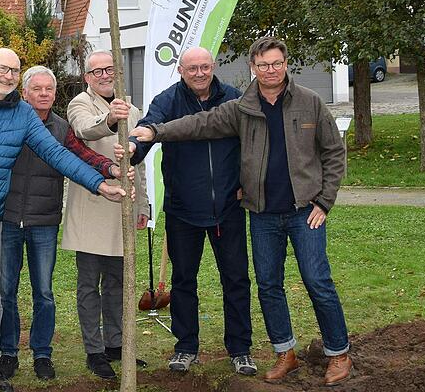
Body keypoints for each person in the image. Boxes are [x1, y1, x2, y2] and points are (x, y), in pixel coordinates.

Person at [129, 37, 352, 386]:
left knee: (316, 280)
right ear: (253, 67)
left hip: (300, 210)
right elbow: (198, 124)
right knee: (268, 285)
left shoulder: (309, 102)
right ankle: (284, 353)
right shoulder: (241, 105)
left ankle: (338, 353)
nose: (270, 70)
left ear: (286, 64)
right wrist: (152, 132)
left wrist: (324, 201)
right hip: (255, 213)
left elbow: (335, 153)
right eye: (263, 65)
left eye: (276, 63)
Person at [0, 48, 129, 392]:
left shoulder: (23, 115)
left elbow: (58, 153)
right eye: (1, 68)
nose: (7, 75)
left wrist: (99, 184)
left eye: (14, 71)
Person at [124, 47, 256, 376]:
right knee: (184, 281)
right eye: (192, 68)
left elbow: (253, 145)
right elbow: (147, 128)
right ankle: (186, 346)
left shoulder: (234, 99)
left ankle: (240, 348)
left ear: (214, 68)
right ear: (181, 70)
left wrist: (246, 182)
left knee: (237, 280)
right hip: (184, 209)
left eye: (205, 67)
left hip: (228, 207)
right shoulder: (168, 100)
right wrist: (132, 150)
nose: (199, 73)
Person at [0, 66, 132, 381]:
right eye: (38, 89)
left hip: (44, 221)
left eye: (49, 89)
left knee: (43, 291)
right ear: (25, 92)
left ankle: (42, 354)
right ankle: (8, 352)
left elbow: (81, 156)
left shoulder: (60, 127)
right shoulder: (8, 121)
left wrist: (110, 169)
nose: (44, 94)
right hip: (6, 218)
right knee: (6, 290)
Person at [61, 49, 149, 380]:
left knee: (117, 283)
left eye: (109, 69)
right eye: (96, 71)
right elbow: (85, 131)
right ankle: (94, 350)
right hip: (92, 205)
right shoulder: (79, 104)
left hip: (123, 208)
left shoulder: (133, 109)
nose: (103, 76)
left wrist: (142, 205)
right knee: (89, 285)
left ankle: (115, 344)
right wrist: (112, 118)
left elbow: (136, 161)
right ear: (87, 77)